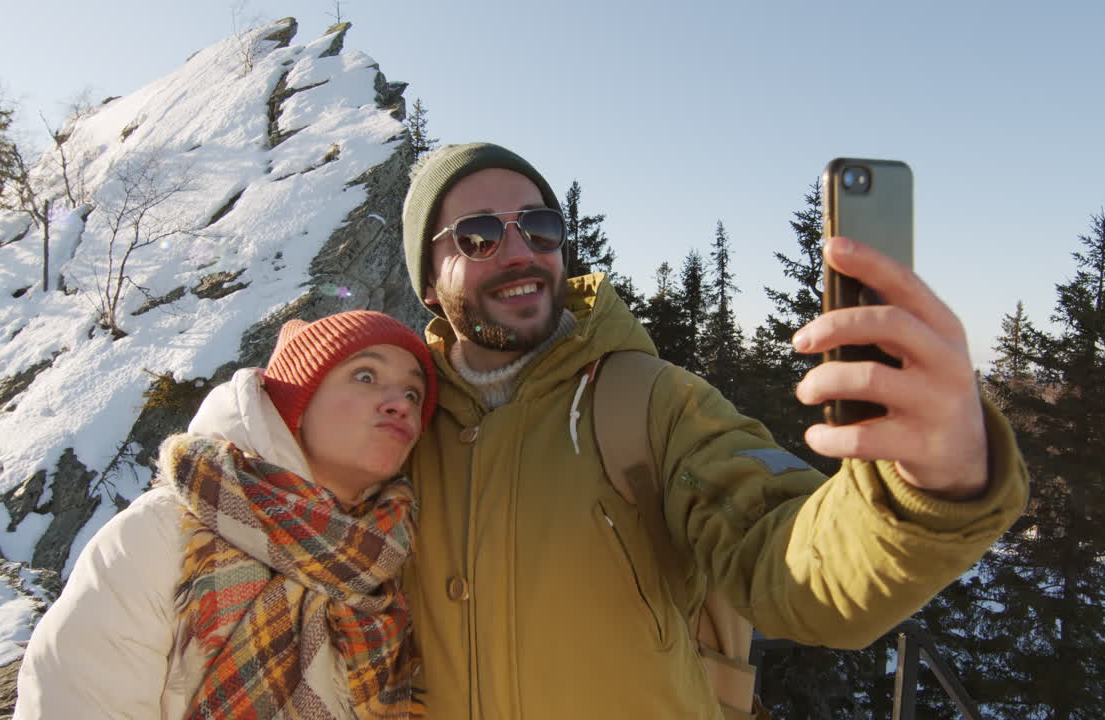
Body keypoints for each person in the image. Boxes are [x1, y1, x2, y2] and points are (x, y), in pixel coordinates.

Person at [398, 142, 1030, 719]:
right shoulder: (394, 430)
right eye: (478, 235)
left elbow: (778, 554)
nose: (519, 252)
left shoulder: (651, 401)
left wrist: (926, 481)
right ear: (427, 281)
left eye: (539, 227)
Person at [14, 310, 437, 720]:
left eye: (412, 394)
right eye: (365, 376)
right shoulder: (161, 533)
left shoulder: (391, 554)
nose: (399, 403)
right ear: (297, 402)